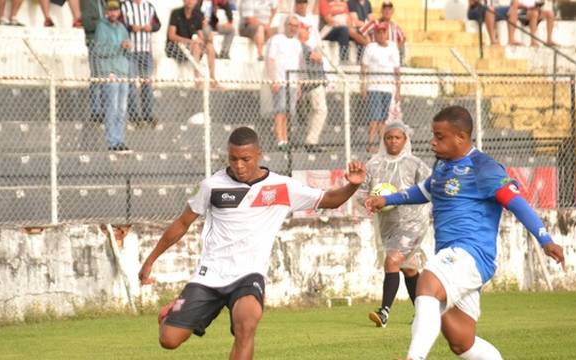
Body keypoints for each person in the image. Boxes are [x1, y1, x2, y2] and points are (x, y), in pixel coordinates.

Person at [139, 126, 367, 359]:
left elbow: (329, 199)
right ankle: (170, 315)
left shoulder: (282, 187)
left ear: (259, 154)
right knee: (169, 340)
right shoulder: (211, 185)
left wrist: (353, 185)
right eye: (233, 159)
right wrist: (150, 260)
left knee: (246, 327)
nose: (239, 165)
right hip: (209, 276)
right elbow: (182, 223)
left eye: (245, 159)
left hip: (248, 276)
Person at [365, 106, 565, 360]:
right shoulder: (442, 167)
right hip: (452, 255)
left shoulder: (484, 167)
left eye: (440, 136)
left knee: (427, 283)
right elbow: (423, 192)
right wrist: (387, 199)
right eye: (433, 135)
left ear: (460, 137)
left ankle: (414, 358)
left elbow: (516, 202)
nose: (433, 141)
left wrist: (545, 239)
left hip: (471, 253)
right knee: (461, 342)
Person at [359, 122, 431, 328]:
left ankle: (384, 312)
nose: (393, 141)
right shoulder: (374, 164)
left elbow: (429, 188)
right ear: (384, 140)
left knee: (391, 261)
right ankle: (424, 314)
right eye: (389, 138)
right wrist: (368, 201)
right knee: (408, 268)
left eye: (397, 137)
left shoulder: (415, 163)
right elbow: (363, 191)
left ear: (405, 140)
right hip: (388, 223)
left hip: (413, 221)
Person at [94, 0, 131, 152]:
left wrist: (127, 46)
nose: (114, 13)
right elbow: (99, 50)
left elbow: (126, 49)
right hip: (110, 71)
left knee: (122, 109)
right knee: (112, 107)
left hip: (123, 71)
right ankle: (112, 141)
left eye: (116, 10)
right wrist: (118, 46)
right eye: (111, 10)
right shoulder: (101, 27)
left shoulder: (122, 27)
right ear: (106, 11)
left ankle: (120, 140)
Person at [361, 22, 400, 153]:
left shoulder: (393, 48)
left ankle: (382, 143)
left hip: (387, 88)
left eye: (383, 32)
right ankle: (370, 143)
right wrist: (363, 85)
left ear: (387, 33)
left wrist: (398, 89)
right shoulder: (371, 47)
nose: (381, 35)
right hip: (374, 87)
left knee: (383, 119)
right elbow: (364, 67)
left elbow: (396, 70)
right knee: (374, 118)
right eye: (379, 32)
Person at [120, 0, 160, 125]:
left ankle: (148, 114)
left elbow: (158, 24)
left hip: (146, 51)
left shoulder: (149, 6)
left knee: (147, 84)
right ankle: (134, 116)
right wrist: (130, 27)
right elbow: (118, 23)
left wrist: (151, 27)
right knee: (131, 84)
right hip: (130, 51)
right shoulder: (124, 6)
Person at [266, 16, 302, 151]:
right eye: (290, 24)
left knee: (288, 113)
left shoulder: (297, 43)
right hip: (280, 82)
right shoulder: (276, 40)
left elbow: (297, 65)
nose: (293, 27)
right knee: (279, 112)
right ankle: (279, 140)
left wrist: (298, 84)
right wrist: (273, 80)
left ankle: (285, 139)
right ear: (285, 25)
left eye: (295, 25)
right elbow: (270, 60)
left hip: (292, 83)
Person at [166, 0, 218, 86]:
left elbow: (200, 34)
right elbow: (171, 36)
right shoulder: (176, 13)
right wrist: (191, 42)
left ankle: (212, 79)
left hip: (191, 46)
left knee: (209, 46)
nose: (190, 1)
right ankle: (197, 80)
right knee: (196, 45)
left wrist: (207, 37)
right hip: (175, 47)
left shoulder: (198, 14)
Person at [297, 22, 327, 151]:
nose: (308, 33)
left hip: (313, 83)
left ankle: (310, 141)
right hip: (312, 83)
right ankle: (311, 141)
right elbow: (315, 56)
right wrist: (317, 54)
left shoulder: (307, 46)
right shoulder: (300, 46)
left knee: (313, 113)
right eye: (305, 30)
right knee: (321, 110)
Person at [81, 0, 105, 123]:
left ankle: (105, 109)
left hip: (107, 45)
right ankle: (96, 110)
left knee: (106, 77)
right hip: (94, 43)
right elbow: (86, 23)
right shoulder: (88, 2)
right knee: (96, 76)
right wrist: (103, 24)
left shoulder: (104, 3)